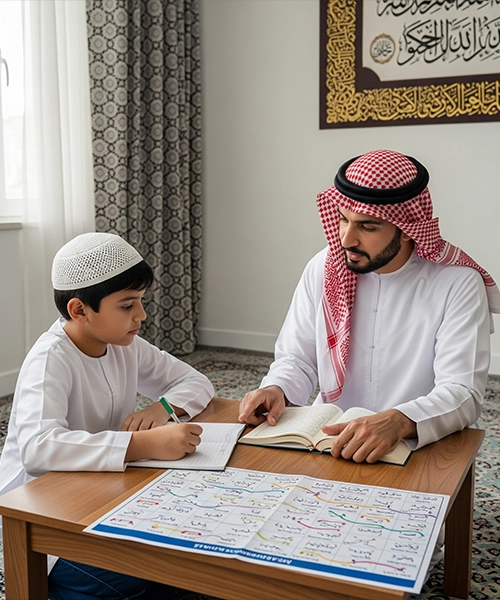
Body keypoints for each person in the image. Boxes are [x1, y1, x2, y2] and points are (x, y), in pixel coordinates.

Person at [239, 149, 500, 466]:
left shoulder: (458, 283)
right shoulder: (324, 267)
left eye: (367, 227)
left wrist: (398, 420)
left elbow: (462, 393)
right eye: (343, 220)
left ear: (407, 230)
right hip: (331, 438)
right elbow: (297, 357)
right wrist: (277, 387)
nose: (347, 239)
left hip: (419, 443)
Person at [0, 232, 214, 599]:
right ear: (79, 310)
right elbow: (38, 449)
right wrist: (141, 443)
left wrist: (161, 408)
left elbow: (195, 381)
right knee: (142, 580)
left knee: (190, 559)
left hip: (104, 491)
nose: (142, 316)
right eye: (127, 305)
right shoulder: (50, 358)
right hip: (43, 509)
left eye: (141, 302)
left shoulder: (124, 344)